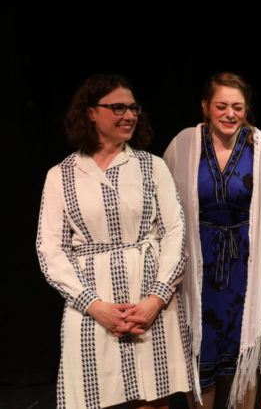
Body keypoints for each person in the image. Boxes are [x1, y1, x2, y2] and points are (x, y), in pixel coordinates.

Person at [36, 74, 194, 408]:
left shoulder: (152, 167)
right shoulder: (61, 175)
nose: (129, 116)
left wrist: (156, 299)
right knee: (97, 398)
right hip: (92, 305)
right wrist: (94, 305)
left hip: (149, 302)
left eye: (133, 108)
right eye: (117, 108)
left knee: (153, 400)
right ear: (91, 112)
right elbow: (51, 249)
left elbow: (175, 233)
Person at [163, 72, 261, 409]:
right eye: (221, 106)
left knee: (244, 359)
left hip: (245, 268)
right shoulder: (184, 144)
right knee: (200, 359)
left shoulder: (259, 145)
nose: (230, 114)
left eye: (238, 107)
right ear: (205, 107)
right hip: (199, 269)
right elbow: (164, 207)